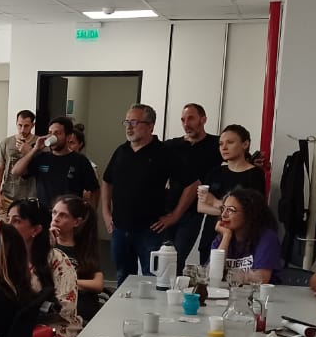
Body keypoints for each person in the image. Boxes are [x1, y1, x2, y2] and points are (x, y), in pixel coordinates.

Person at [99, 103, 193, 286]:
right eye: (127, 122)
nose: (129, 127)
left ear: (150, 126)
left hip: (150, 231)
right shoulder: (121, 151)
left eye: (134, 122)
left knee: (153, 279)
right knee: (122, 276)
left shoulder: (164, 153)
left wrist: (174, 216)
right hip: (120, 228)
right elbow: (106, 181)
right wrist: (105, 212)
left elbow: (192, 184)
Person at [7, 199, 82, 337]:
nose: (8, 226)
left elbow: (66, 306)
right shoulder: (2, 259)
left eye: (16, 221)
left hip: (53, 336)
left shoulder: (56, 260)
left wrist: (23, 312)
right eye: (8, 220)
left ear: (35, 230)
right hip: (12, 336)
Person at [194, 123, 265, 265]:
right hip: (211, 235)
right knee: (207, 274)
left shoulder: (255, 174)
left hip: (239, 240)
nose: (224, 147)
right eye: (221, 144)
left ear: (245, 144)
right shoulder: (215, 172)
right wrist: (231, 211)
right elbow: (201, 207)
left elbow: (251, 211)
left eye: (230, 142)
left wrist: (215, 202)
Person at [164, 103, 223, 267]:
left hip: (194, 211)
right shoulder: (171, 146)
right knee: (163, 258)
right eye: (183, 120)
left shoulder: (217, 144)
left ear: (203, 119)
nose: (186, 124)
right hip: (167, 209)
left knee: (177, 260)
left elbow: (238, 159)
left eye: (190, 118)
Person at [9, 115, 99, 211]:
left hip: (69, 215)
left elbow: (94, 189)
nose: (53, 136)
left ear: (68, 137)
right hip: (44, 214)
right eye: (50, 133)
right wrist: (35, 149)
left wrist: (91, 213)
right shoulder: (42, 158)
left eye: (57, 133)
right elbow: (16, 172)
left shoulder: (80, 160)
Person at [51, 194, 105, 321]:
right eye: (54, 213)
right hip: (56, 309)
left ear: (76, 222)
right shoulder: (45, 245)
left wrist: (66, 282)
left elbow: (98, 284)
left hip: (83, 309)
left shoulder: (83, 247)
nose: (56, 219)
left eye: (63, 215)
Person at [211, 187, 281, 284]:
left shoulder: (267, 238)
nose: (223, 215)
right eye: (223, 209)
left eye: (231, 210)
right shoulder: (223, 237)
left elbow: (261, 278)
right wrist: (226, 236)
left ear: (248, 214)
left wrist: (224, 274)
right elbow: (211, 273)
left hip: (259, 293)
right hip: (228, 291)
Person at [0, 109, 38, 216]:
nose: (22, 129)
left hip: (29, 198)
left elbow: (41, 168)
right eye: (20, 125)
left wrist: (29, 151)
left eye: (26, 126)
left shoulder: (39, 143)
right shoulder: (7, 142)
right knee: (2, 225)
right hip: (7, 197)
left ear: (32, 125)